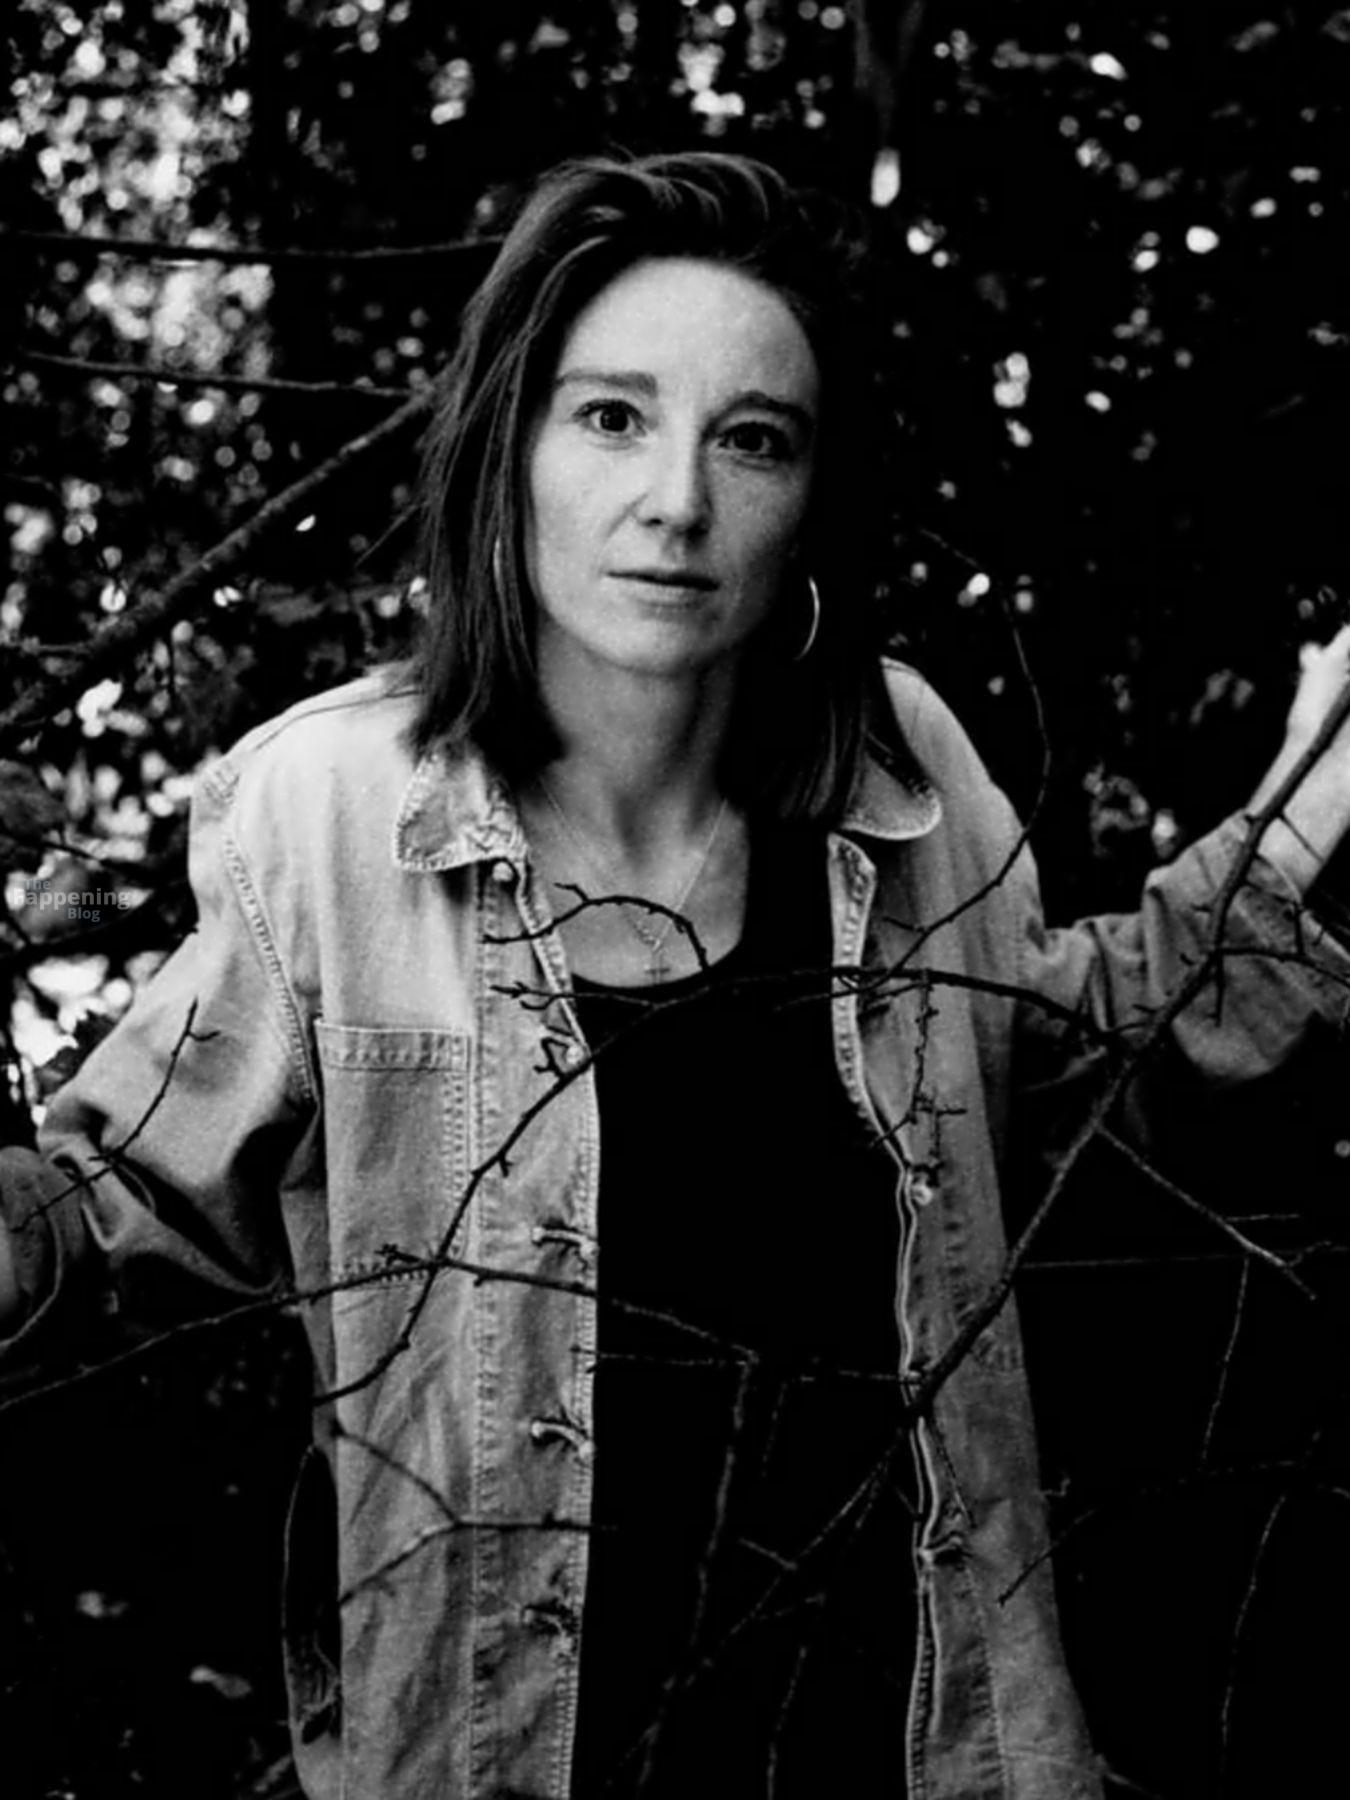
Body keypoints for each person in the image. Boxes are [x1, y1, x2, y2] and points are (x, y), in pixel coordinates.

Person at [2, 151, 1349, 1800]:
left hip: (909, 1755)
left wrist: (1309, 807)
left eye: (751, 438)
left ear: (811, 497)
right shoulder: (332, 809)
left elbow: (1062, 1077)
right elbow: (120, 1204)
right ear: (508, 449)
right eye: (611, 417)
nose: (678, 502)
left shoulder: (899, 769)